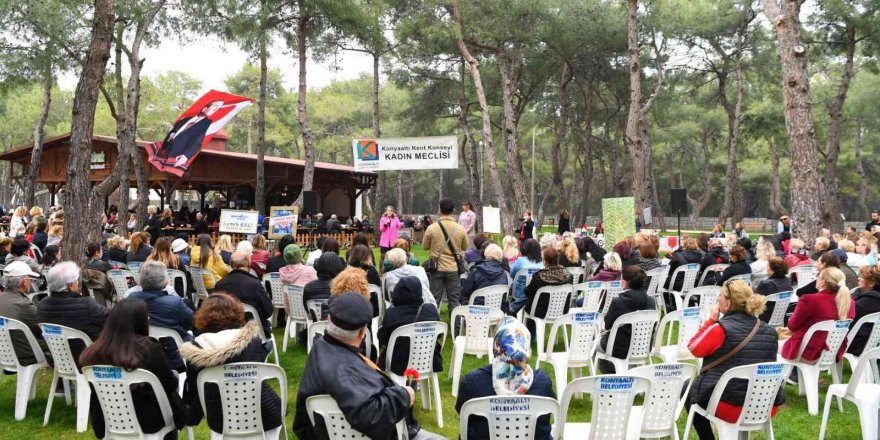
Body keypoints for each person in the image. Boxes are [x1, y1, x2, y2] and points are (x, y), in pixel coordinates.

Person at [293, 292, 415, 440]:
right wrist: (405, 395)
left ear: (329, 319)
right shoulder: (345, 370)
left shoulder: (321, 346)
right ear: (363, 332)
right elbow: (369, 415)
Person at [686, 280, 783, 440]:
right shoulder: (770, 331)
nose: (718, 300)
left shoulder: (721, 328)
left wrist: (711, 321)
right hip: (765, 404)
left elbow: (694, 348)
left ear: (728, 303)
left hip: (732, 406)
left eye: (720, 297)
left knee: (689, 389)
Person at [79, 299, 187, 440]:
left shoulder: (93, 352)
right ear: (140, 320)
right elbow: (170, 384)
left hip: (109, 419)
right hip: (149, 420)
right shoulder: (149, 348)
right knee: (173, 379)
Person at [179, 294, 282, 437]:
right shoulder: (253, 341)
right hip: (263, 411)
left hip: (221, 418)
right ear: (237, 312)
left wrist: (192, 415)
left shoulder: (196, 349)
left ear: (202, 316)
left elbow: (196, 390)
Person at [456, 317, 555, 440]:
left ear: (497, 345)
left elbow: (462, 411)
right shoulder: (542, 382)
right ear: (525, 346)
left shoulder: (472, 382)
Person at [129, 261, 194, 372]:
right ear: (165, 282)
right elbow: (191, 323)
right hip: (176, 358)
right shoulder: (175, 302)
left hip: (140, 356)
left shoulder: (130, 299)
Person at [38, 261, 109, 361]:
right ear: (71, 286)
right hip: (91, 359)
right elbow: (113, 319)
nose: (78, 283)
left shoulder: (42, 305)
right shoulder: (87, 305)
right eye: (77, 281)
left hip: (60, 360)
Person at [781, 267, 855, 363]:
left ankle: (793, 375)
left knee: (773, 347)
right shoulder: (850, 303)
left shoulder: (809, 299)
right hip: (833, 352)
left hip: (806, 352)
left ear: (822, 282)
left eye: (818, 277)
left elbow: (792, 327)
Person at [377, 277, 443, 374]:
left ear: (397, 293)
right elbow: (439, 335)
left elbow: (383, 338)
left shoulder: (392, 313)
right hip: (427, 361)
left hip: (397, 365)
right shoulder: (430, 310)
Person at [597, 266, 656, 373]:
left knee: (594, 347)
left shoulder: (618, 302)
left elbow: (607, 325)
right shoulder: (651, 301)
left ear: (624, 282)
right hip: (643, 347)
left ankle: (609, 375)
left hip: (619, 348)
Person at [214, 251, 274, 337]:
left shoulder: (219, 285)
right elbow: (268, 310)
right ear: (249, 264)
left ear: (231, 264)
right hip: (254, 332)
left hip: (225, 332)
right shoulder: (255, 284)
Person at [0, 261, 50, 365]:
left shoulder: (3, 298)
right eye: (30, 279)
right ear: (24, 281)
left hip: (5, 352)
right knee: (61, 343)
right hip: (26, 354)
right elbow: (44, 330)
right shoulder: (23, 305)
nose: (31, 282)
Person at [422, 198, 468, 310]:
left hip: (436, 268)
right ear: (453, 211)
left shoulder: (432, 228)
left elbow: (425, 246)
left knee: (434, 299)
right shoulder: (460, 229)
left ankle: (433, 324)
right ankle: (456, 327)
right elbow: (465, 247)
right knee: (454, 301)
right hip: (453, 268)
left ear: (439, 210)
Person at [155, 99, 226, 169]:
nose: (216, 109)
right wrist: (172, 134)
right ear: (204, 108)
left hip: (176, 155)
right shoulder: (185, 119)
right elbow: (174, 130)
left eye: (218, 108)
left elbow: (197, 140)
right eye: (215, 106)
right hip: (165, 149)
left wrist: (186, 155)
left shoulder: (207, 123)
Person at [522, 247, 572, 318]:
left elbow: (528, 292)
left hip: (540, 312)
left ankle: (532, 328)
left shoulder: (538, 276)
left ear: (545, 261)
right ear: (557, 260)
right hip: (562, 310)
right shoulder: (568, 275)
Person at [462, 243, 510, 308]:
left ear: (485, 254)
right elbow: (505, 296)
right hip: (496, 311)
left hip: (476, 311)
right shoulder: (503, 274)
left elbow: (465, 291)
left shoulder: (476, 271)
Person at [302, 253, 346, 320]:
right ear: (338, 267)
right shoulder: (343, 288)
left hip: (315, 327)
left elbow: (307, 311)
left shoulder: (308, 288)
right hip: (338, 327)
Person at [848, 266, 880, 356]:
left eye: (862, 277)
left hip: (857, 343)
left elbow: (846, 313)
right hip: (871, 342)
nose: (859, 278)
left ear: (871, 283)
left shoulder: (872, 299)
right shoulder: (868, 295)